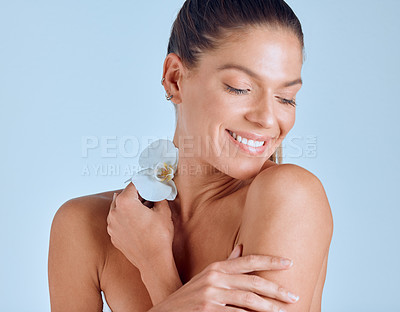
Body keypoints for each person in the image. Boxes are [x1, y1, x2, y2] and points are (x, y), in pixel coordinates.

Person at [48, 0, 333, 311]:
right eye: (240, 88)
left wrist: (156, 268)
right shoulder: (84, 226)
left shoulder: (291, 196)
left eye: (286, 98)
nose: (267, 118)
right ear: (175, 79)